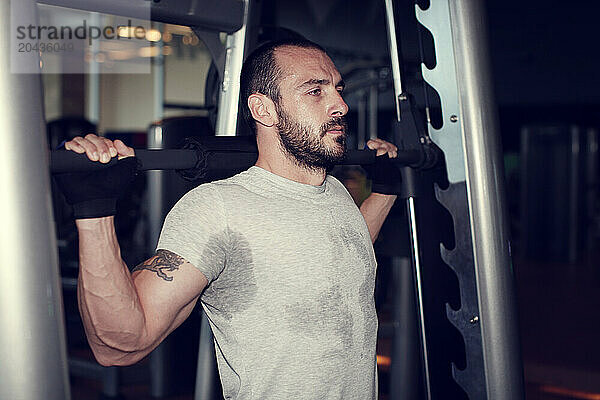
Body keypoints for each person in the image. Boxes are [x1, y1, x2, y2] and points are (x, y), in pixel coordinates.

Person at [58, 38, 399, 399]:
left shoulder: (335, 192)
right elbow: (118, 344)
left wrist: (388, 188)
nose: (341, 106)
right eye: (315, 91)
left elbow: (346, 249)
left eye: (337, 89)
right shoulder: (216, 210)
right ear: (263, 110)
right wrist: (94, 209)